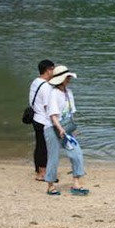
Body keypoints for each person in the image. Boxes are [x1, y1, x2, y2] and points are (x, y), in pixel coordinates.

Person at [44, 65, 88, 196]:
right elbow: (52, 115)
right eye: (67, 77)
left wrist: (71, 130)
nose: (69, 79)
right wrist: (60, 129)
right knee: (53, 157)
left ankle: (76, 182)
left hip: (65, 128)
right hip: (52, 128)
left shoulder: (69, 93)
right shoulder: (53, 94)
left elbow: (70, 113)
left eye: (69, 77)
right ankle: (50, 185)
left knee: (77, 153)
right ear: (60, 79)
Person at [29, 59, 54, 181]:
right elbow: (47, 106)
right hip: (43, 120)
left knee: (39, 145)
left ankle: (39, 170)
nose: (54, 72)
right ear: (48, 70)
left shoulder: (35, 82)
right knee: (43, 147)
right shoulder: (46, 87)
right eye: (53, 69)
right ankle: (42, 173)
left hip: (36, 118)